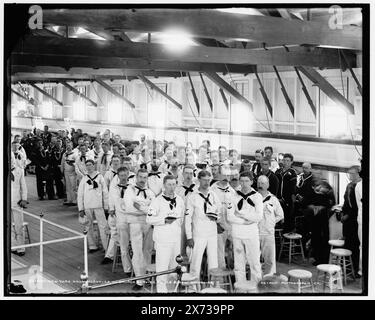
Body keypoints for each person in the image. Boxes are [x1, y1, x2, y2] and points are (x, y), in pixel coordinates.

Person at [147, 175, 185, 293]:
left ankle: (172, 292)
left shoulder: (179, 200)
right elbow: (149, 219)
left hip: (175, 240)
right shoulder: (156, 201)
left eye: (174, 184)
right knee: (162, 270)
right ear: (164, 185)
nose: (172, 187)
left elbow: (181, 218)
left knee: (174, 269)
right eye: (169, 184)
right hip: (162, 240)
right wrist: (163, 221)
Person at [185, 170, 222, 280]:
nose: (207, 182)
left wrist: (216, 217)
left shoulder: (213, 194)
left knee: (213, 262)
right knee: (196, 262)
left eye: (208, 180)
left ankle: (214, 287)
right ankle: (193, 288)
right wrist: (189, 237)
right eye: (204, 180)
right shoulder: (193, 196)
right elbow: (188, 218)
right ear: (199, 180)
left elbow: (219, 210)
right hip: (199, 233)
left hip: (212, 232)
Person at [123, 168, 155, 290]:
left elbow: (153, 210)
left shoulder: (150, 192)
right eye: (140, 177)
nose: (142, 180)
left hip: (147, 223)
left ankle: (146, 276)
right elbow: (130, 208)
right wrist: (146, 206)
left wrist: (141, 208)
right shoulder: (129, 190)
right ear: (136, 177)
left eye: (145, 177)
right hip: (134, 223)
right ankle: (139, 280)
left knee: (147, 250)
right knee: (137, 252)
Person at [228, 171, 263, 283]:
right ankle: (240, 287)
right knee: (238, 263)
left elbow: (258, 216)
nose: (244, 183)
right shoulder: (233, 195)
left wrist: (241, 214)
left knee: (254, 262)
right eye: (241, 181)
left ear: (252, 182)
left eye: (247, 181)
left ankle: (255, 288)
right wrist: (245, 221)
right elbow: (230, 217)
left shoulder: (257, 196)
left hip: (251, 234)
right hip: (237, 233)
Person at [104, 167, 132, 274]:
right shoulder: (114, 188)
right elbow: (111, 201)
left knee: (134, 246)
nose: (123, 178)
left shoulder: (133, 188)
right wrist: (111, 210)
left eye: (125, 175)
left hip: (131, 219)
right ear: (118, 176)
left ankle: (137, 269)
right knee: (123, 246)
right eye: (121, 175)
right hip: (120, 219)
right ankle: (127, 269)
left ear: (128, 175)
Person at [77, 160, 109, 253]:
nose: (89, 167)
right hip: (87, 205)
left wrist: (106, 206)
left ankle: (106, 246)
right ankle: (92, 245)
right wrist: (81, 208)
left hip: (98, 205)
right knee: (88, 225)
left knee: (103, 226)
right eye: (87, 165)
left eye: (90, 165)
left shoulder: (100, 177)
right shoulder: (84, 178)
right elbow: (80, 194)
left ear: (94, 165)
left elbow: (105, 192)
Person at [303, 180, 335, 265]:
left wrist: (321, 208)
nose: (318, 188)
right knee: (316, 239)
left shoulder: (327, 195)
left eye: (320, 187)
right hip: (314, 221)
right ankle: (317, 258)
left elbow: (330, 205)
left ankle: (324, 259)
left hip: (323, 220)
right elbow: (305, 203)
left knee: (324, 239)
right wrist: (312, 207)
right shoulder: (312, 194)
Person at [210, 165, 237, 269]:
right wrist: (215, 224)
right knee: (219, 253)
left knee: (238, 247)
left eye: (228, 175)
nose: (226, 178)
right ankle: (220, 280)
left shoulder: (232, 191)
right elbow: (208, 211)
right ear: (219, 175)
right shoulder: (212, 190)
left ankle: (236, 273)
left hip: (230, 226)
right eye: (224, 175)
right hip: (218, 227)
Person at [257, 175, 284, 275]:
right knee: (254, 259)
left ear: (268, 185)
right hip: (255, 232)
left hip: (268, 232)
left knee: (269, 258)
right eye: (259, 183)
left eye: (263, 183)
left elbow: (280, 215)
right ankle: (256, 279)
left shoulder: (273, 199)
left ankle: (269, 278)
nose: (260, 185)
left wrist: (272, 222)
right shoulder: (253, 197)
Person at [341, 165, 361, 276]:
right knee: (347, 244)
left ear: (358, 173)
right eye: (349, 173)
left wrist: (348, 215)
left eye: (352, 173)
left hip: (355, 220)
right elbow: (346, 202)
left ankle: (356, 269)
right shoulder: (349, 185)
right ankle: (347, 268)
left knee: (355, 245)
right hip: (347, 220)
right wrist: (343, 214)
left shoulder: (360, 186)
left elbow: (357, 206)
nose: (350, 175)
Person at [175, 165, 198, 255]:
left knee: (193, 245)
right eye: (186, 173)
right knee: (180, 245)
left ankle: (193, 267)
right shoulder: (177, 189)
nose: (188, 175)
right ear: (183, 174)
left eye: (191, 173)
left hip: (193, 220)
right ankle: (179, 267)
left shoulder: (197, 189)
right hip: (181, 220)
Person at [11, 152, 28, 256]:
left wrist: (24, 199)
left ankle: (21, 247)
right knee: (8, 225)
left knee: (19, 225)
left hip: (17, 202)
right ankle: (12, 245)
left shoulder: (19, 171)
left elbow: (24, 187)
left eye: (12, 158)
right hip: (5, 203)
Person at [275, 153, 297, 232]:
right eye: (284, 160)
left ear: (291, 162)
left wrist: (289, 199)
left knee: (287, 218)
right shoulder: (278, 171)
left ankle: (287, 233)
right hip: (277, 199)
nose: (286, 162)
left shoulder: (292, 173)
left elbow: (293, 188)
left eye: (288, 161)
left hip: (287, 200)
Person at [61, 141, 77, 206]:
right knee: (67, 186)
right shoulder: (64, 154)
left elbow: (76, 163)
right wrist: (62, 170)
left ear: (72, 146)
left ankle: (74, 200)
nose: (68, 147)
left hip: (72, 172)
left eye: (69, 145)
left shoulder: (74, 154)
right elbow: (62, 163)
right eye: (67, 145)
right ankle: (69, 199)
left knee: (73, 186)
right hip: (66, 172)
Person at [355, 164, 363, 276]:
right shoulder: (359, 186)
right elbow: (359, 204)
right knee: (362, 245)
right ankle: (362, 270)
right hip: (362, 218)